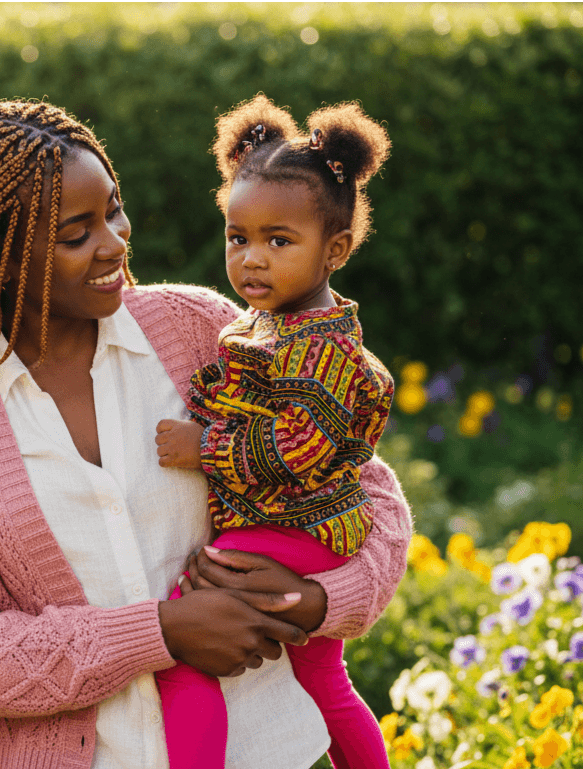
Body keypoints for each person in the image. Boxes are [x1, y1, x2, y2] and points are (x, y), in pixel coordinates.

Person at [0, 100, 412, 769]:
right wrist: (161, 633)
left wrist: (323, 599)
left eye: (113, 210)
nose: (115, 243)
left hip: (273, 747)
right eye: (77, 233)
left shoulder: (197, 329)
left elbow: (367, 491)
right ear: (1, 254)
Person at [152, 96, 394, 769]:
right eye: (239, 237)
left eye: (278, 241)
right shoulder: (266, 329)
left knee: (182, 645)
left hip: (296, 529)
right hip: (297, 529)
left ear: (334, 250)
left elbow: (298, 447)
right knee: (324, 679)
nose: (253, 259)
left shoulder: (325, 352)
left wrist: (205, 448)